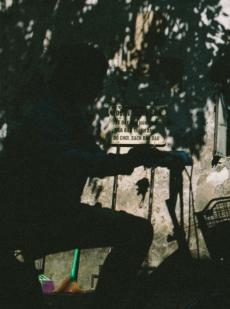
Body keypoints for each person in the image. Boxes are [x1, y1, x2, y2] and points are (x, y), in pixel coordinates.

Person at [0, 44, 165, 309]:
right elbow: (72, 159)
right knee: (136, 231)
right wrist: (128, 161)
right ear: (77, 78)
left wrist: (137, 158)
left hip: (54, 212)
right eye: (96, 79)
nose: (99, 86)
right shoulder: (48, 115)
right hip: (35, 216)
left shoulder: (68, 114)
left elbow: (93, 157)